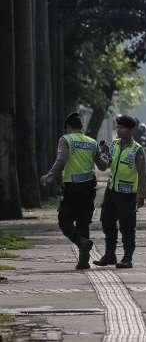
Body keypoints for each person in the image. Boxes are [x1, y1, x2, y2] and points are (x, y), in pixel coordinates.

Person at [40, 112, 109, 270]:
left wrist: (49, 177)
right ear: (81, 127)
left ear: (69, 127)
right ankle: (84, 261)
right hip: (89, 187)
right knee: (83, 222)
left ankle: (82, 243)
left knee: (64, 221)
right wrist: (105, 153)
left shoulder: (66, 139)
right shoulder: (92, 142)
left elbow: (61, 160)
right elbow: (103, 166)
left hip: (72, 187)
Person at [94, 115, 146, 269]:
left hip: (127, 194)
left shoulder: (137, 150)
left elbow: (142, 174)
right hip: (111, 191)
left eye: (121, 128)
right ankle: (109, 255)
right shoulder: (115, 145)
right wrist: (100, 153)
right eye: (117, 127)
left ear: (130, 130)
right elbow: (105, 166)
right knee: (107, 222)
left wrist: (141, 195)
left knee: (127, 227)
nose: (118, 130)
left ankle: (127, 258)